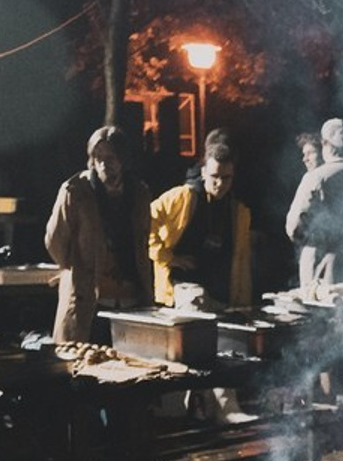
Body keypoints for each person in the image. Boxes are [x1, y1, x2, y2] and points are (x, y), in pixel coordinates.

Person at [45, 126, 152, 343]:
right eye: (98, 157)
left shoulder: (139, 193)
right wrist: (78, 269)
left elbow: (143, 239)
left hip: (131, 298)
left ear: (122, 159)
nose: (104, 163)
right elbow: (55, 240)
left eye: (110, 157)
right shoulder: (76, 191)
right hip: (90, 298)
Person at [149, 137, 253, 310]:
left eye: (226, 178)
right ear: (203, 172)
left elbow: (242, 260)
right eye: (214, 176)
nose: (220, 184)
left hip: (220, 294)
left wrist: (242, 303)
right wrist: (166, 257)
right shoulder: (183, 196)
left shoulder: (239, 211)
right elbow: (148, 219)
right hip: (183, 290)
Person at [285, 118, 343, 294]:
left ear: (325, 145)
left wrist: (305, 240)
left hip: (320, 261)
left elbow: (294, 226)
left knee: (319, 312)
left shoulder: (315, 178)